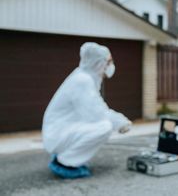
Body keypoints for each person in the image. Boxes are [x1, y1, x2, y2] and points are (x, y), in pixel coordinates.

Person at [42, 42, 132, 179]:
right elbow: (97, 115)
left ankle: (66, 156)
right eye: (109, 62)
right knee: (104, 126)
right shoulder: (82, 81)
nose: (111, 66)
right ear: (99, 63)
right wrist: (119, 122)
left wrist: (119, 121)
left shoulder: (85, 78)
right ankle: (65, 162)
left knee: (103, 124)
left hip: (60, 130)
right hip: (57, 134)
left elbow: (97, 107)